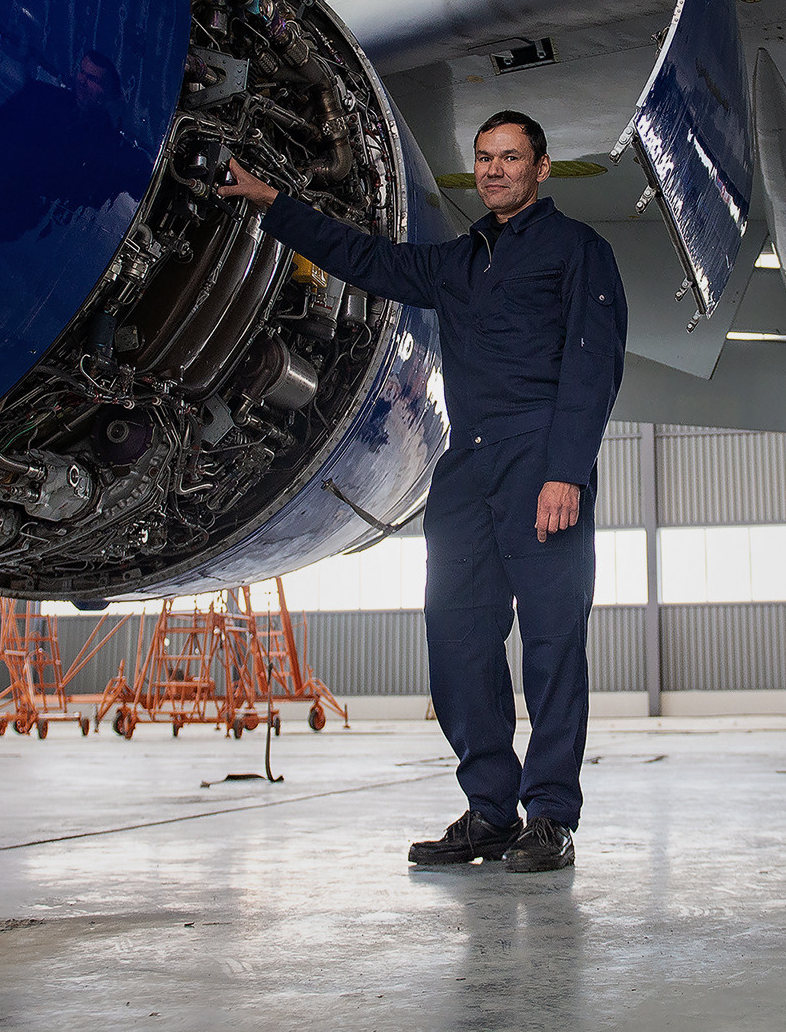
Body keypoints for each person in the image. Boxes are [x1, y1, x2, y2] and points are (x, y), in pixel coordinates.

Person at [219, 111, 625, 873]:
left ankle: (551, 818)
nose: (495, 170)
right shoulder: (460, 262)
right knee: (458, 639)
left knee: (552, 644)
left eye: (510, 157)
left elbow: (593, 364)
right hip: (466, 468)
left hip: (541, 460)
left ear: (542, 167)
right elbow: (367, 259)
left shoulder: (579, 252)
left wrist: (566, 470)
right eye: (484, 158)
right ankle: (490, 811)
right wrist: (275, 205)